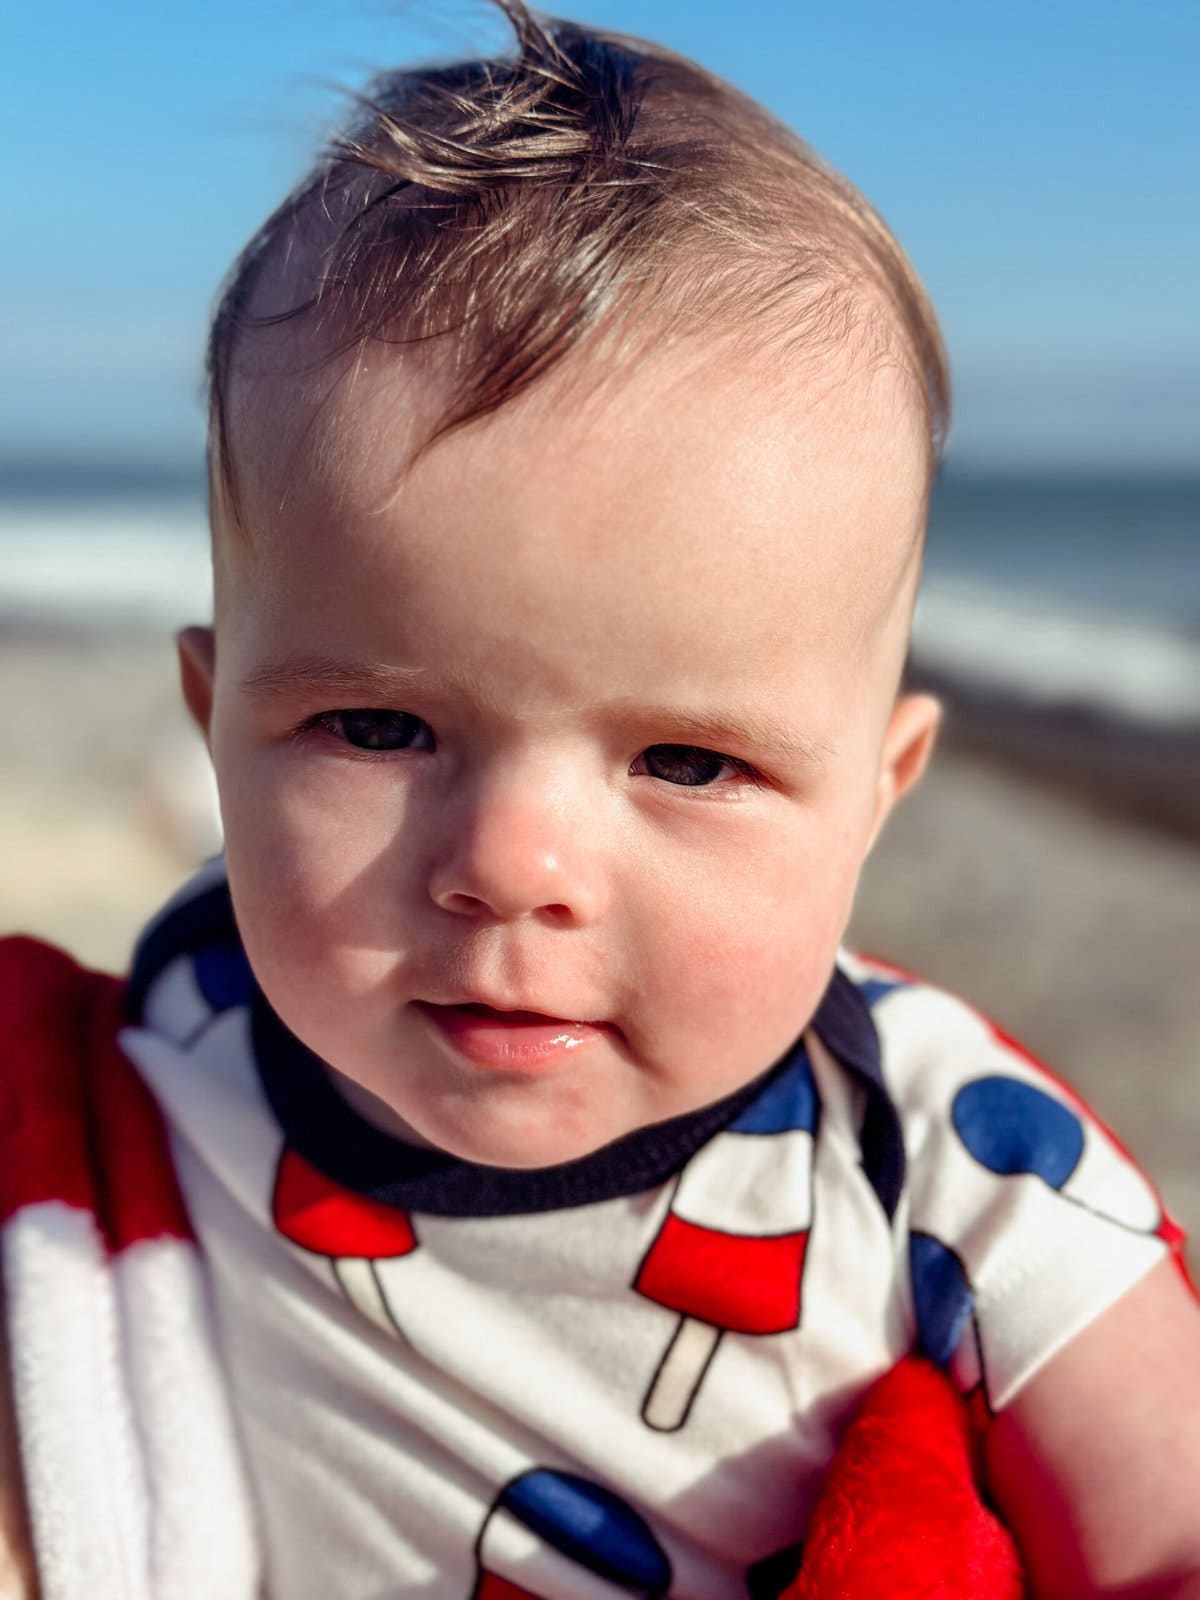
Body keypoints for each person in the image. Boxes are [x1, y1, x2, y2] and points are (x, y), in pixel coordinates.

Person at [3, 3, 1199, 1595]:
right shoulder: (170, 1040)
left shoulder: (950, 1162)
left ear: (879, 790)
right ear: (215, 726)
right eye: (377, 725)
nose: (512, 867)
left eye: (689, 762)